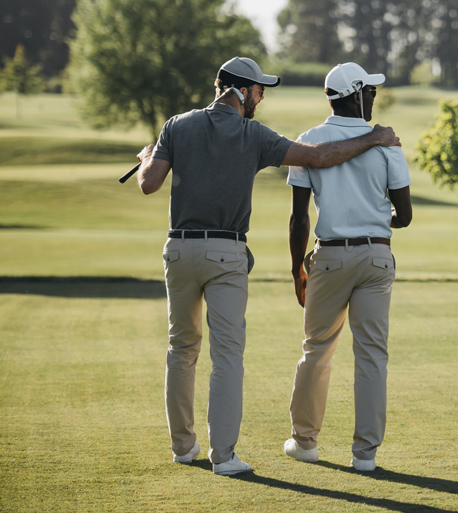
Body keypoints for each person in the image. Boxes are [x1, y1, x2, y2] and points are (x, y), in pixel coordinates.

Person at [133, 57, 402, 476]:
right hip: (226, 255)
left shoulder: (176, 125)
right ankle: (223, 457)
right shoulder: (252, 133)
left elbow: (149, 182)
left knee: (181, 349)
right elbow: (318, 157)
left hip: (179, 250)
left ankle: (183, 448)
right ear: (241, 91)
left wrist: (149, 155)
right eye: (259, 90)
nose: (261, 97)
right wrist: (374, 138)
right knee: (226, 357)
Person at [282, 62, 412, 472]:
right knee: (372, 355)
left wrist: (294, 268)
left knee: (316, 349)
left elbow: (299, 217)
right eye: (369, 91)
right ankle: (366, 455)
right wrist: (375, 220)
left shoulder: (308, 141)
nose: (374, 97)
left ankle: (305, 442)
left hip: (329, 256)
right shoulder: (387, 142)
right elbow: (404, 215)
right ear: (355, 94)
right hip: (375, 256)